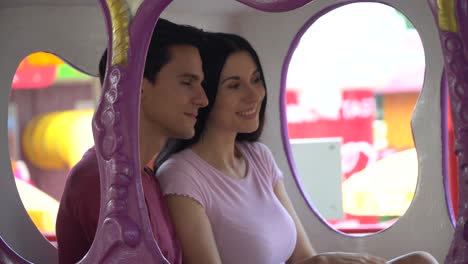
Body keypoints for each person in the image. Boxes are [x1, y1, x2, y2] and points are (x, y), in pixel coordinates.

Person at [156, 32, 439, 264]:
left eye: (256, 80)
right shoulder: (181, 176)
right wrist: (323, 262)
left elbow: (305, 257)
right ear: (205, 95)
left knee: (421, 261)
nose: (255, 94)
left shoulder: (258, 158)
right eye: (234, 86)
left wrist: (328, 260)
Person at [56, 18, 208, 264]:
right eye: (187, 83)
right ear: (137, 85)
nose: (202, 99)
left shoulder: (145, 176)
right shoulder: (100, 180)